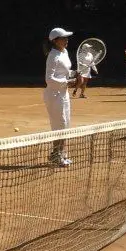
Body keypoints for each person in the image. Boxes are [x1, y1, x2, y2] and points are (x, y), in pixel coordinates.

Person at [44, 27, 74, 166]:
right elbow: (49, 79)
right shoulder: (53, 56)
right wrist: (67, 82)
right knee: (59, 125)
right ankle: (56, 155)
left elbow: (64, 71)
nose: (66, 40)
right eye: (63, 38)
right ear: (55, 41)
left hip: (63, 93)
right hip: (54, 95)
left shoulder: (64, 52)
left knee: (65, 124)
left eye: (67, 37)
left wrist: (73, 73)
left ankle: (61, 153)